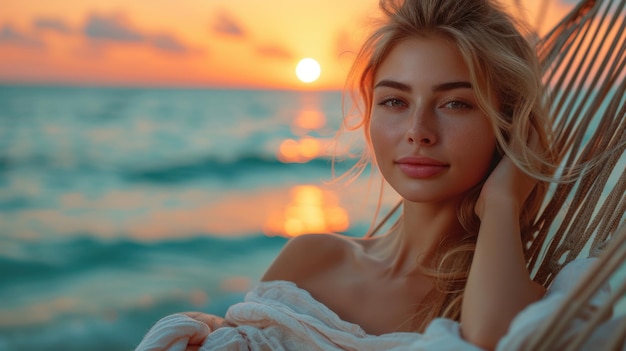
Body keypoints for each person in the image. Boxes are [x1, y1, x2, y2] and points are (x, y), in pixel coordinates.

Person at [139, 0, 559, 349]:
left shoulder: (503, 295)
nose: (418, 133)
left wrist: (504, 199)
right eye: (395, 101)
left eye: (456, 104)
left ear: (508, 125)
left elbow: (498, 340)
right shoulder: (311, 258)